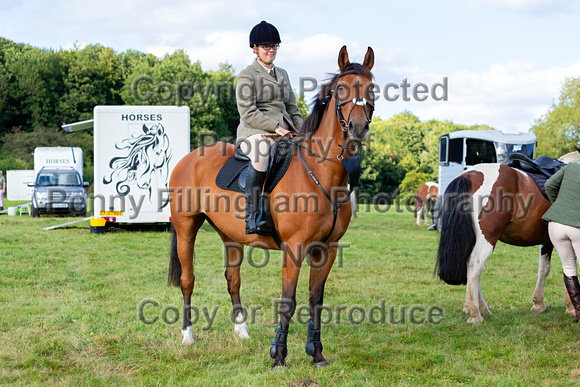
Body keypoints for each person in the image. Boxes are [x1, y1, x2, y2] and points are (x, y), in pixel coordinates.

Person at [236, 21, 303, 235]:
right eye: (265, 47)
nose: (270, 50)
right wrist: (276, 127)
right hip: (255, 133)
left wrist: (304, 132)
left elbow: (293, 108)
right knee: (262, 153)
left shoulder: (283, 73)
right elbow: (248, 112)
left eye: (274, 46)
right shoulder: (248, 75)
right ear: (255, 49)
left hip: (285, 133)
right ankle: (252, 217)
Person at [542, 162, 580, 323]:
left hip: (555, 224)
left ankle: (579, 314)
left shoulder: (570, 167)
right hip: (577, 226)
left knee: (569, 269)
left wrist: (559, 205)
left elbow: (549, 184)